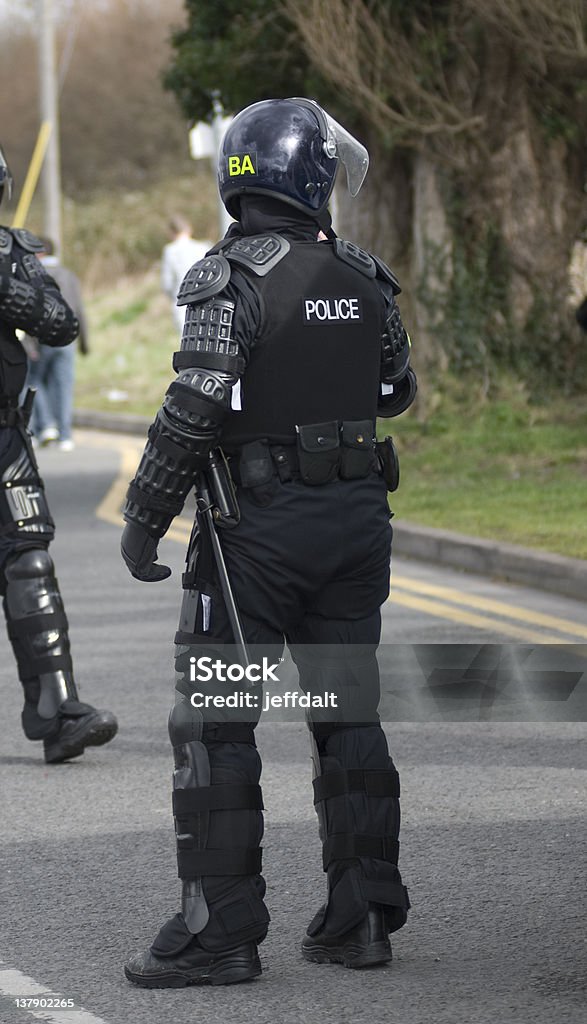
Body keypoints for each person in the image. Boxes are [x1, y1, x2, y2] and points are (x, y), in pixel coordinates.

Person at [121, 98, 417, 986]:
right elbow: (395, 390)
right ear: (313, 176)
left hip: (256, 539)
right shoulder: (366, 276)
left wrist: (142, 517)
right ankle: (359, 918)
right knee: (346, 716)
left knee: (215, 724)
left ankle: (220, 933)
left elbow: (195, 404)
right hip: (356, 527)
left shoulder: (230, 278)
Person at [0, 145, 118, 763]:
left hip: (5, 439)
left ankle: (58, 708)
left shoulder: (11, 253)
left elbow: (62, 323)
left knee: (30, 565)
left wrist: (6, 289)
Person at [26, 237, 89, 451]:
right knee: (63, 386)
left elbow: (30, 311)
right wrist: (84, 342)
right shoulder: (69, 275)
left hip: (41, 338)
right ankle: (65, 435)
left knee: (33, 381)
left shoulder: (33, 275)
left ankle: (44, 426)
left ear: (38, 253)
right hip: (68, 338)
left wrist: (29, 344)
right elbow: (80, 309)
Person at [161, 216, 212, 333]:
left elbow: (167, 283)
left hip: (182, 302)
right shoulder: (203, 247)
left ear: (171, 232)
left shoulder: (170, 251)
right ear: (189, 229)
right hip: (205, 299)